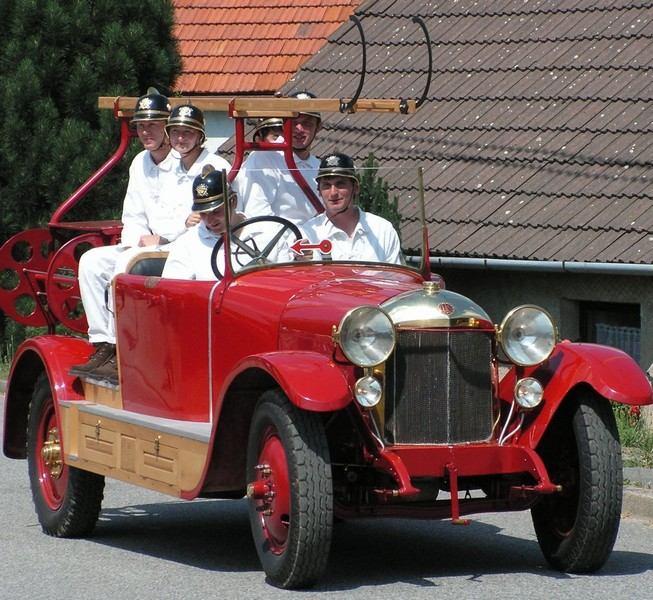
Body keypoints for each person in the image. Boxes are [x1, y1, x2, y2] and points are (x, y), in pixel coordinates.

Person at [70, 89, 179, 381]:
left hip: (178, 249)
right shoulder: (139, 163)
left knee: (125, 264)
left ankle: (122, 350)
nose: (146, 132)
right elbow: (132, 214)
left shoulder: (185, 163)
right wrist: (136, 240)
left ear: (168, 125)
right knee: (92, 262)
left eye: (153, 124)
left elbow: (196, 218)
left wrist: (164, 239)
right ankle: (103, 343)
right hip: (142, 247)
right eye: (141, 126)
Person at [163, 166, 293, 280]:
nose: (209, 220)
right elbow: (174, 292)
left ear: (234, 201)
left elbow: (288, 282)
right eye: (203, 213)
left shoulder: (269, 232)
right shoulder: (187, 244)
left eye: (216, 211)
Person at [232, 91, 323, 224]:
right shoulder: (264, 157)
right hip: (277, 241)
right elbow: (259, 216)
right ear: (283, 125)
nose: (299, 129)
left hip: (316, 241)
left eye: (307, 123)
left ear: (319, 127)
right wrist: (298, 241)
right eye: (293, 122)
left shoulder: (319, 167)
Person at [298, 152, 403, 264]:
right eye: (326, 186)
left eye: (340, 184)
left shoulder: (382, 230)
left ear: (356, 188)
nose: (333, 193)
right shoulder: (308, 233)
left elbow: (398, 279)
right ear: (319, 191)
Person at [163, 104, 231, 232]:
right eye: (175, 131)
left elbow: (230, 214)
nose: (180, 138)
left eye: (187, 132)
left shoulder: (219, 166)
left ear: (200, 136)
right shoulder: (168, 168)